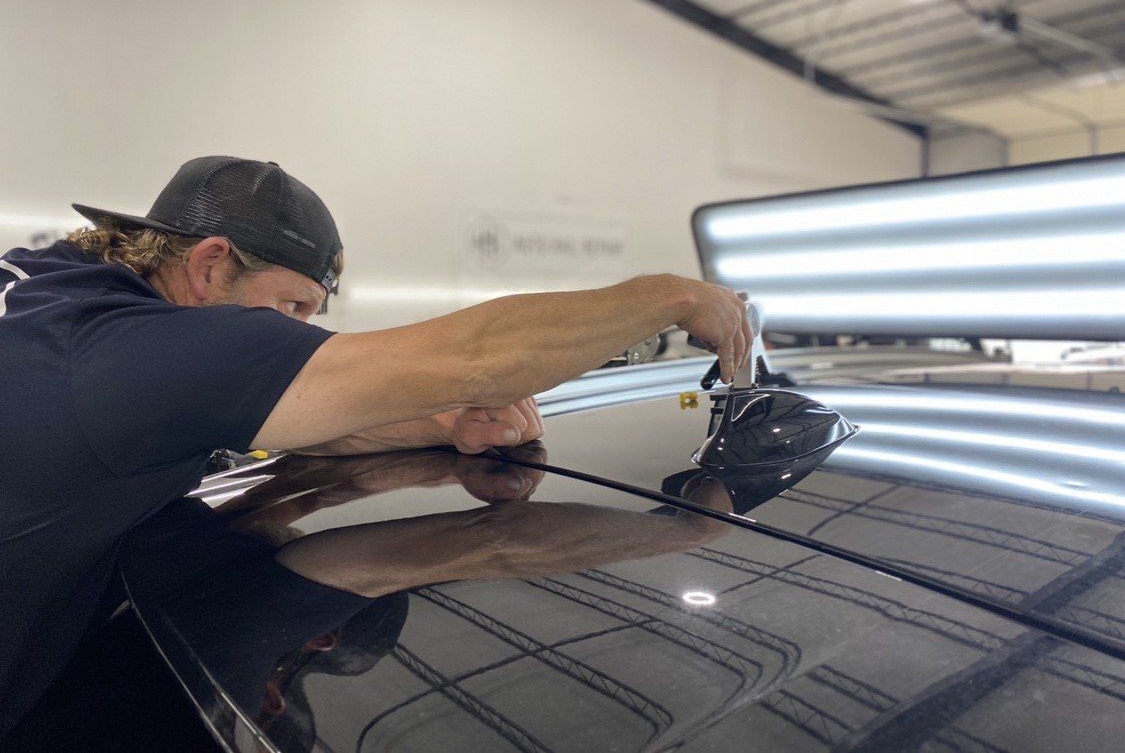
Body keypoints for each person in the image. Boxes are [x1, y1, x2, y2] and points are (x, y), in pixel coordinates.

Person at [0, 155, 752, 737]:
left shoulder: (59, 297)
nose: (297, 329)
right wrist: (676, 298)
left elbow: (281, 412)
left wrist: (440, 425)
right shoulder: (150, 350)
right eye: (292, 307)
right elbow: (480, 358)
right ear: (208, 264)